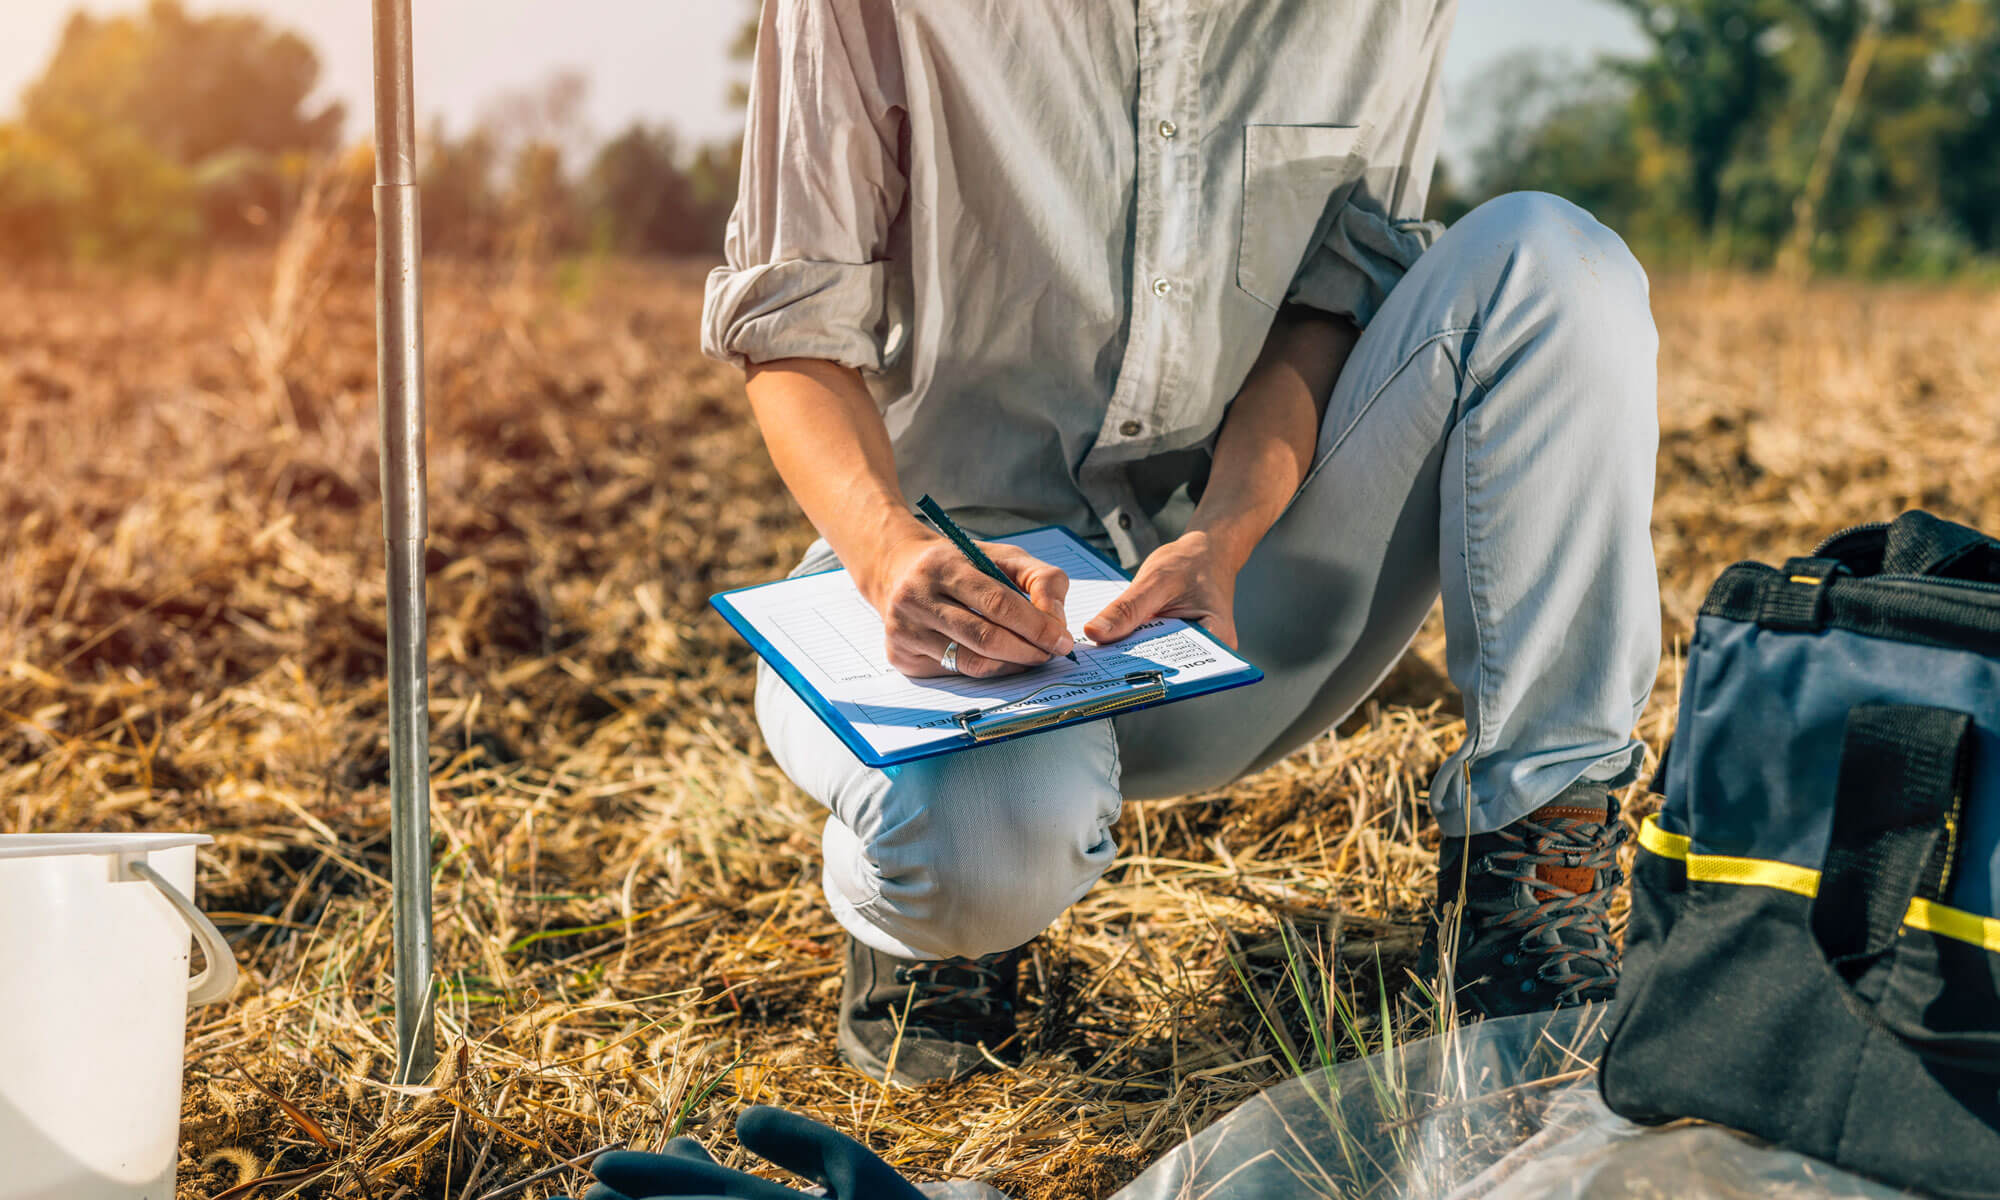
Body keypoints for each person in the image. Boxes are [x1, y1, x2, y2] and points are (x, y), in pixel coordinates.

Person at [702, 0, 1660, 1086]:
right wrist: (885, 556)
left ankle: (1533, 878)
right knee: (974, 860)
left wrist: (1225, 531)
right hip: (948, 600)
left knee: (1553, 264)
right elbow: (788, 336)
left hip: (1235, 594)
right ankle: (925, 926)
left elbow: (1327, 305)